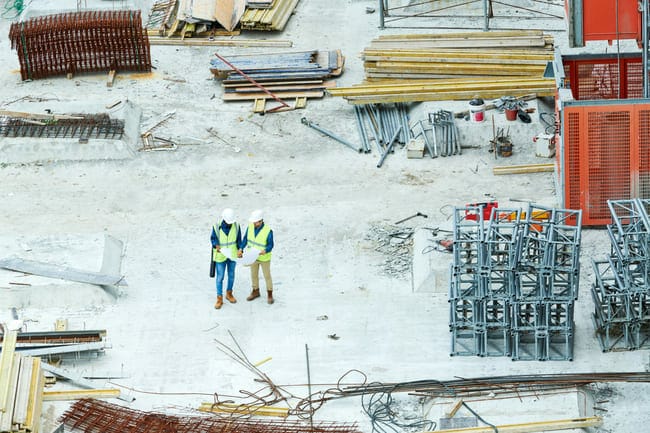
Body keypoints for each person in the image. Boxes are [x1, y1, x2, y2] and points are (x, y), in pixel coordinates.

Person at [210, 208, 243, 309]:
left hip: (232, 255)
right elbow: (213, 238)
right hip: (221, 256)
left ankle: (229, 294)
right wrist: (216, 245)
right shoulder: (216, 227)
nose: (230, 224)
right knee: (220, 277)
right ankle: (219, 298)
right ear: (224, 219)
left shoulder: (236, 226)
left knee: (231, 275)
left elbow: (239, 240)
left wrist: (240, 250)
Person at [243, 209, 274, 304]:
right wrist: (240, 248)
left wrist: (265, 250)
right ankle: (255, 291)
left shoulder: (268, 231)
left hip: (264, 258)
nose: (253, 223)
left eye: (255, 222)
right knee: (253, 275)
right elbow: (245, 239)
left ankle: (270, 294)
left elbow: (271, 245)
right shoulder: (250, 227)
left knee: (267, 276)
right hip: (253, 257)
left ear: (260, 221)